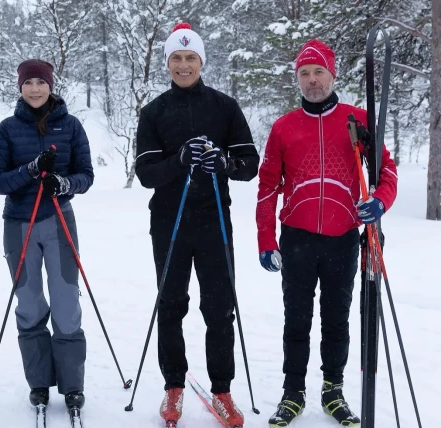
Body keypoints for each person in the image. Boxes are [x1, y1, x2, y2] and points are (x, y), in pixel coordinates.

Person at [256, 39, 398, 427]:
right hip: (297, 238)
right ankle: (293, 392)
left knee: (337, 318)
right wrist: (266, 239)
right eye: (304, 73)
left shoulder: (357, 120)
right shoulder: (284, 127)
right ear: (297, 79)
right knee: (296, 319)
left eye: (319, 72)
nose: (312, 80)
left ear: (333, 75)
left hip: (343, 238)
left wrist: (380, 202)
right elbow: (268, 186)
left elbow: (387, 172)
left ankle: (333, 389)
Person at [135, 22, 259, 427]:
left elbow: (249, 164)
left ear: (201, 61)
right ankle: (174, 386)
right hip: (169, 224)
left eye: (190, 58)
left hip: (214, 223)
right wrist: (180, 161)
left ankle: (221, 390)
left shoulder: (224, 107)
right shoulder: (153, 112)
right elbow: (146, 173)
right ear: (167, 63)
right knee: (171, 305)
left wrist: (223, 162)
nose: (183, 65)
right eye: (176, 58)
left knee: (220, 309)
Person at [0, 59, 94, 411]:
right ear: (20, 87)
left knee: (66, 303)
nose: (35, 88)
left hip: (59, 220)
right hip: (19, 224)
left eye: (41, 82)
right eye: (28, 82)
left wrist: (63, 183)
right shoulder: (7, 128)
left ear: (51, 85)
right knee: (30, 304)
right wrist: (30, 170)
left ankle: (72, 385)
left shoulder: (71, 125)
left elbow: (86, 175)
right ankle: (39, 382)